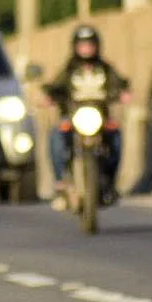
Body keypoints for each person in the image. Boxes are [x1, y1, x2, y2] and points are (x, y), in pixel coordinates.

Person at [42, 24, 131, 207]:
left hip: (100, 118)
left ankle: (110, 181)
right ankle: (61, 182)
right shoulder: (69, 70)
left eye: (90, 45)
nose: (86, 49)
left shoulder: (105, 69)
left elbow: (119, 84)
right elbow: (56, 86)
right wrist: (50, 97)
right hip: (74, 117)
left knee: (116, 136)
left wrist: (123, 93)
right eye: (83, 45)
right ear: (75, 47)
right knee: (56, 135)